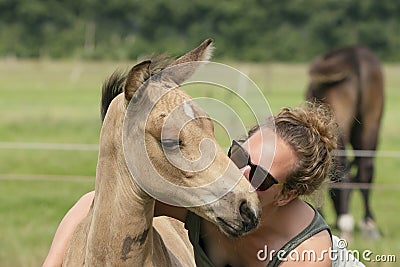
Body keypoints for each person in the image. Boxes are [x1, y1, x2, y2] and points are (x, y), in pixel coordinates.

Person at [44, 103, 362, 266]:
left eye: (261, 177)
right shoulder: (211, 200)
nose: (239, 176)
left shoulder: (305, 253)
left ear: (287, 195)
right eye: (239, 156)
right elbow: (97, 203)